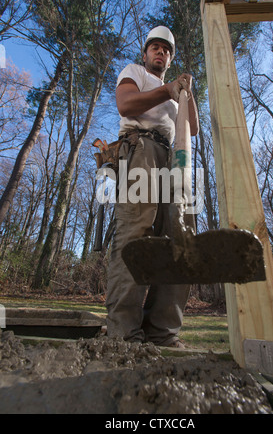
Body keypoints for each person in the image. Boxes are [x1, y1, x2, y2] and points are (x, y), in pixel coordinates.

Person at [105, 26, 199, 348]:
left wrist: (186, 92)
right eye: (155, 48)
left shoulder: (175, 95)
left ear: (170, 59)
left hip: (173, 159)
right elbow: (126, 105)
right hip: (139, 149)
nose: (160, 53)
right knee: (136, 232)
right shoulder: (134, 73)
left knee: (179, 236)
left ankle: (162, 331)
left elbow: (193, 128)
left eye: (166, 50)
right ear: (145, 54)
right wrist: (167, 90)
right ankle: (124, 333)